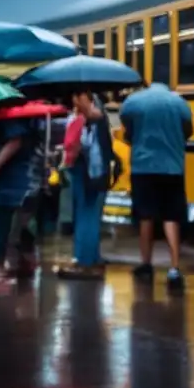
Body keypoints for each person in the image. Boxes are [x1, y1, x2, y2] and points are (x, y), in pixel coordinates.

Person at [120, 82, 194, 292]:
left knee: (146, 215)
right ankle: (174, 268)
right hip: (172, 168)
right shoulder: (180, 103)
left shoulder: (132, 102)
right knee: (172, 217)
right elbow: (188, 131)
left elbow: (128, 131)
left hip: (143, 168)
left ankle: (146, 264)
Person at [57, 92, 115, 280]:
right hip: (96, 171)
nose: (74, 100)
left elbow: (82, 144)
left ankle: (84, 262)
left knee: (86, 215)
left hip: (89, 170)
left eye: (78, 97)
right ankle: (92, 258)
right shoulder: (97, 116)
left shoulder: (91, 116)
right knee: (90, 214)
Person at [0, 116, 39, 289]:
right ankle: (20, 263)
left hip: (11, 181)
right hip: (8, 181)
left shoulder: (9, 115)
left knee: (3, 222)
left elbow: (15, 141)